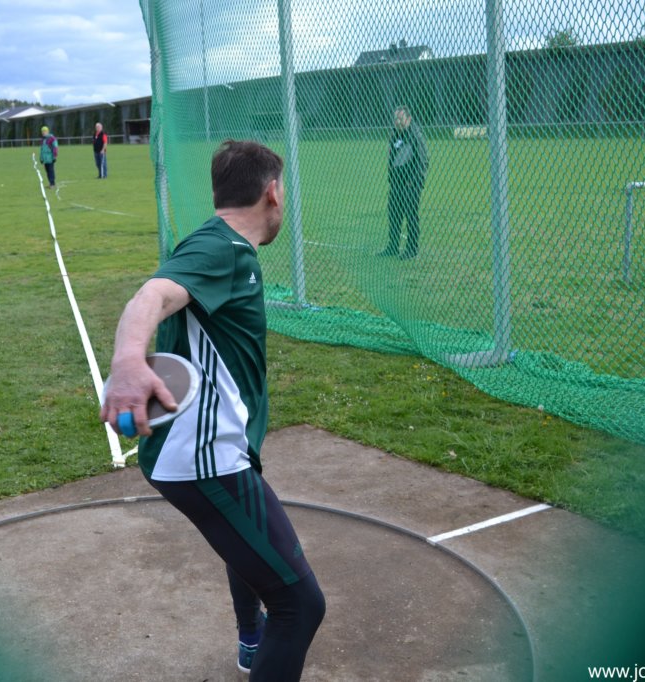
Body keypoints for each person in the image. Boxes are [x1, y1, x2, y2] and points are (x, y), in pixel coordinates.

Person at [100, 140, 326, 680]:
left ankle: (252, 639)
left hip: (210, 450)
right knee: (300, 604)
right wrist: (128, 360)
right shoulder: (221, 248)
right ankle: (259, 637)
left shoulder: (220, 243)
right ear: (272, 193)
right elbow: (150, 296)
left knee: (247, 547)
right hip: (205, 458)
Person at [380, 105, 429, 259]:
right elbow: (392, 159)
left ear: (409, 119)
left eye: (401, 119)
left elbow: (423, 161)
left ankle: (412, 249)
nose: (398, 122)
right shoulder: (394, 134)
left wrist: (413, 181)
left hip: (410, 185)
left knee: (411, 216)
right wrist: (391, 179)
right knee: (394, 215)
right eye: (396, 119)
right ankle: (393, 247)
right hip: (396, 184)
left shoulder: (415, 136)